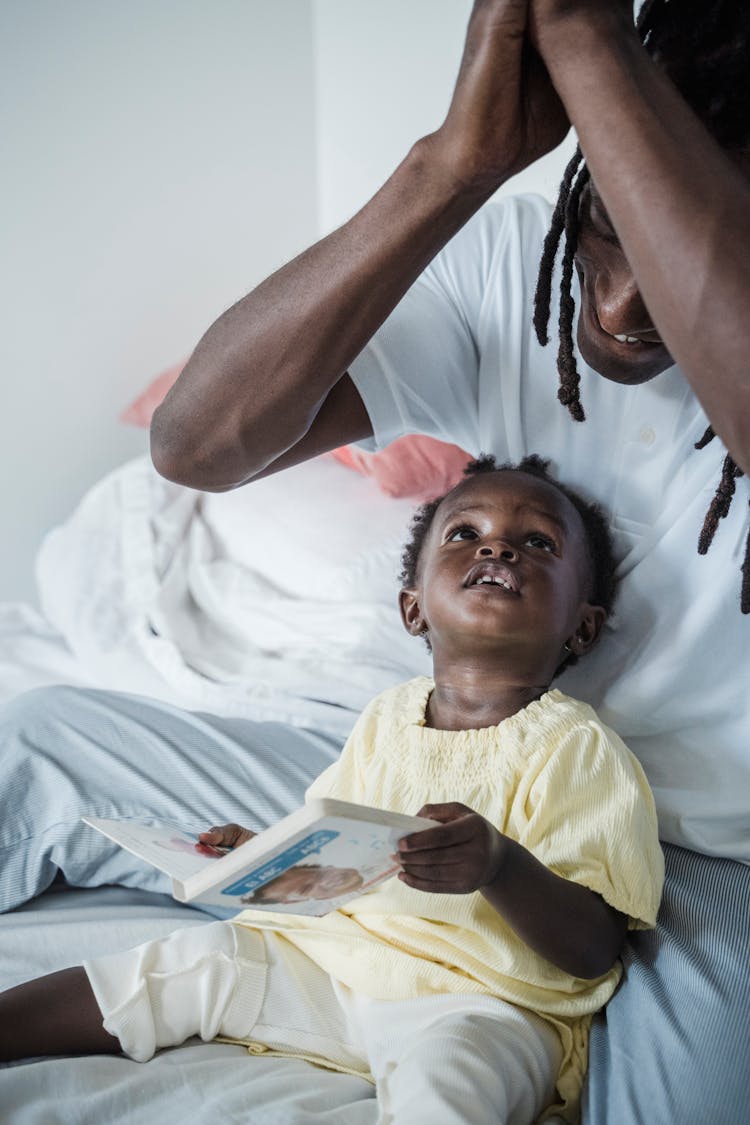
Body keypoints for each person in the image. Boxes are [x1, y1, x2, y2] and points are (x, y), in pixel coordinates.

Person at [1, 1, 748, 1119]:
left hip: (680, 862)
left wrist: (581, 30)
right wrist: (452, 164)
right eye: (600, 224)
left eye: (673, 230)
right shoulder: (506, 263)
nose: (624, 303)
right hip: (411, 788)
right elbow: (194, 445)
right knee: (42, 743)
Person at [0, 458, 665, 1125]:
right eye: (465, 533)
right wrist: (257, 854)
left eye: (538, 543)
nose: (497, 546)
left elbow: (593, 948)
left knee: (455, 1080)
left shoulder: (577, 748)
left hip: (480, 1002)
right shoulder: (386, 718)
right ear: (413, 608)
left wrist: (499, 863)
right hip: (334, 968)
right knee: (193, 961)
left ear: (581, 626)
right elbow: (338, 861)